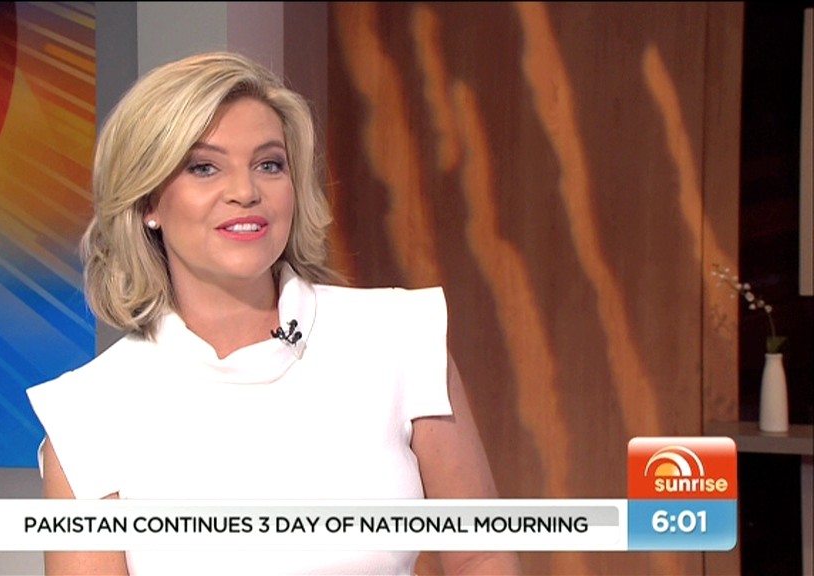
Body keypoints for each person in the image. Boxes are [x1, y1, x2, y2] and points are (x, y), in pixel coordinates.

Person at [26, 50, 522, 576]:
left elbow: (481, 555)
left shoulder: (399, 337)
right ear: (148, 202)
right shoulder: (87, 410)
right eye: (204, 167)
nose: (245, 192)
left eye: (269, 165)